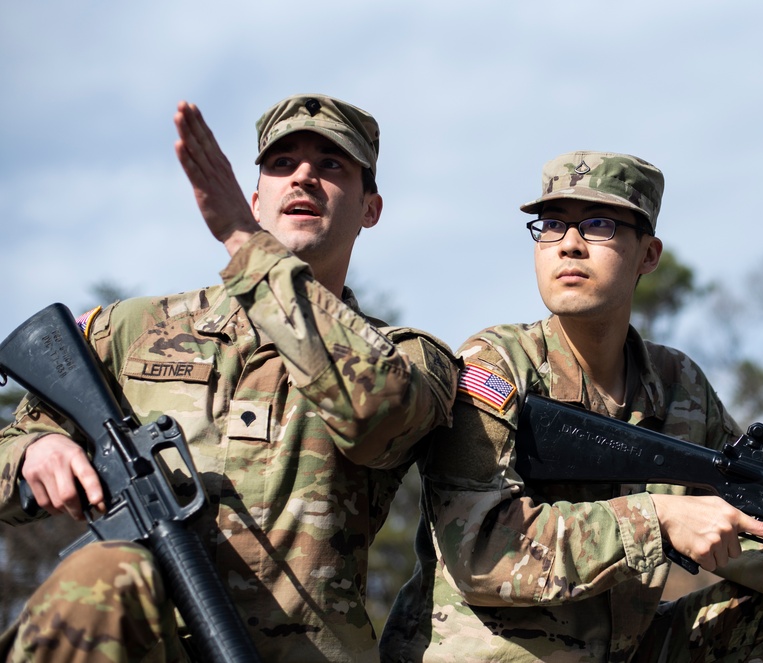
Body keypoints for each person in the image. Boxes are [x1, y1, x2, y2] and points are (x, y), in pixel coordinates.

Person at [379, 151, 763, 662]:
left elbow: (755, 535)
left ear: (648, 255)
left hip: (621, 650)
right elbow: (480, 552)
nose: (568, 246)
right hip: (487, 654)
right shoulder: (496, 365)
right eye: (551, 225)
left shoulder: (680, 387)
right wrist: (659, 519)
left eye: (599, 225)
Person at [0, 94, 459, 662]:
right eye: (282, 163)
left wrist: (247, 247)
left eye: (331, 165)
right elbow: (12, 444)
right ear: (256, 200)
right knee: (101, 573)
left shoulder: (405, 356)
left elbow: (376, 417)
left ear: (370, 208)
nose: (304, 177)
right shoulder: (132, 330)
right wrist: (34, 451)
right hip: (134, 643)